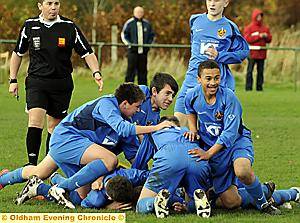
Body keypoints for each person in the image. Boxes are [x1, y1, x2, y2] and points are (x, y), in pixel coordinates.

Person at [0, 83, 175, 208]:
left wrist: (155, 177)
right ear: (124, 104)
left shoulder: (126, 125)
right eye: (136, 107)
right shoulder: (107, 104)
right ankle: (60, 187)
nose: (138, 111)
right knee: (110, 159)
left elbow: (136, 160)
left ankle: (8, 180)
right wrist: (157, 127)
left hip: (78, 148)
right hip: (67, 138)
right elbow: (122, 130)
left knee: (71, 192)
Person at [8, 0, 103, 166]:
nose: (53, 7)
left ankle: (46, 165)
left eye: (56, 3)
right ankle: (31, 164)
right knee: (35, 121)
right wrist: (13, 79)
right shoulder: (30, 26)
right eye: (49, 3)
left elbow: (87, 52)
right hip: (37, 81)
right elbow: (18, 53)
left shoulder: (68, 26)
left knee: (54, 128)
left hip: (61, 84)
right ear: (40, 5)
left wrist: (96, 72)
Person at [184, 60, 280, 215]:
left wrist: (208, 153)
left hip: (236, 142)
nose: (213, 82)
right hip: (214, 147)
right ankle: (266, 190)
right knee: (231, 202)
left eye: (217, 78)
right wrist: (193, 129)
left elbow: (230, 133)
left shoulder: (229, 97)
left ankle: (264, 204)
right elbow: (190, 110)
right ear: (199, 79)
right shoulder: (192, 95)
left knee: (242, 171)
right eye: (208, 78)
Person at [174, 0, 249, 126]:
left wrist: (220, 56)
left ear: (225, 3)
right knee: (177, 123)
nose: (212, 4)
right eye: (209, 0)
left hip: (215, 83)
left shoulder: (230, 27)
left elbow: (243, 52)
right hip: (192, 78)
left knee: (213, 128)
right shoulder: (195, 20)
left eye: (217, 0)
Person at [135, 116, 212, 218]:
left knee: (141, 205)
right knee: (194, 197)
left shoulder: (154, 131)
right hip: (197, 157)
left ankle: (155, 202)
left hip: (170, 157)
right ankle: (191, 206)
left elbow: (139, 162)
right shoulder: (188, 132)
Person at [15, 168, 149, 210]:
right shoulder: (96, 198)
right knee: (75, 199)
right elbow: (84, 205)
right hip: (84, 174)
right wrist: (107, 208)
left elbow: (148, 175)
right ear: (109, 197)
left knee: (73, 189)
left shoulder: (130, 175)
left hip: (90, 173)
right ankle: (40, 187)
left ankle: (55, 177)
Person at [121, 6, 155, 85]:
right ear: (134, 13)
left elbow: (152, 36)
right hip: (132, 52)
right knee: (130, 72)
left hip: (143, 53)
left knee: (143, 73)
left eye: (141, 12)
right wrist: (130, 45)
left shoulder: (147, 24)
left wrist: (148, 46)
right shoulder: (129, 23)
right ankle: (127, 90)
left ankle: (143, 92)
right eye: (137, 12)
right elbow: (124, 35)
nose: (139, 14)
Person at [244, 9, 272, 91]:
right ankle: (248, 88)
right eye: (258, 16)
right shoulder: (249, 28)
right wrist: (259, 36)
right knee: (250, 71)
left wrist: (266, 36)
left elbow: (269, 39)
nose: (259, 18)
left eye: (261, 16)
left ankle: (259, 88)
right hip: (252, 53)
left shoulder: (265, 28)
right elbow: (247, 39)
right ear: (254, 17)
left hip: (262, 54)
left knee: (260, 72)